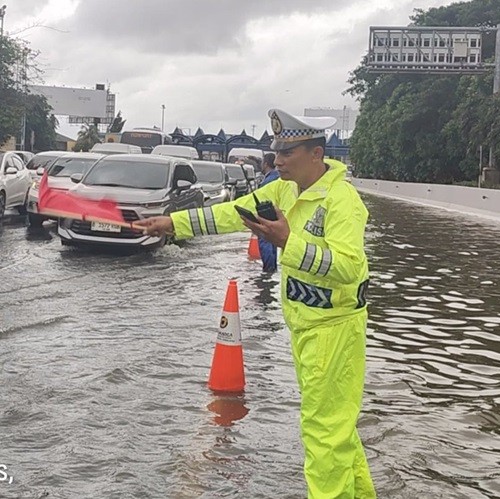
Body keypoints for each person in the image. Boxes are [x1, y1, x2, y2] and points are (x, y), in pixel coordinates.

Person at [138, 109, 376, 499]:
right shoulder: (285, 189)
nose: (277, 159)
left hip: (334, 330)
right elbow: (235, 213)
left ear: (316, 154)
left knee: (323, 435)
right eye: (276, 150)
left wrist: (288, 242)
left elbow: (348, 267)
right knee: (336, 429)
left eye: (287, 152)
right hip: (307, 326)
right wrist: (175, 223)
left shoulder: (342, 201)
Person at [258, 152, 280, 272]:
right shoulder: (277, 178)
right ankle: (272, 268)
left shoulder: (268, 181)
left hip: (266, 218)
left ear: (266, 164)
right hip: (275, 217)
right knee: (273, 244)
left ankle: (268, 270)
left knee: (265, 243)